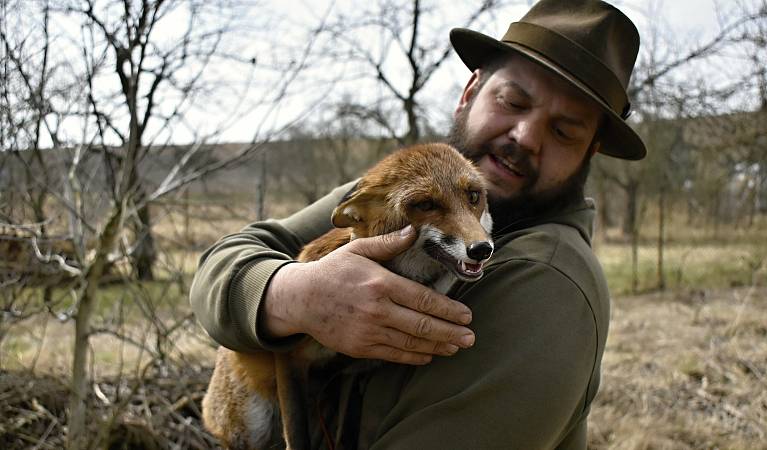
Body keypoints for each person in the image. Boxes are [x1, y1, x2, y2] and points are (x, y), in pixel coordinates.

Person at [190, 0, 647, 448]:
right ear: (470, 93)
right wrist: (291, 294)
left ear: (590, 152)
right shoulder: (402, 193)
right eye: (513, 100)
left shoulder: (548, 284)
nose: (525, 137)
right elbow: (225, 263)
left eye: (565, 130)